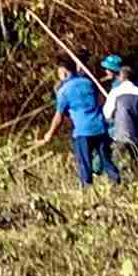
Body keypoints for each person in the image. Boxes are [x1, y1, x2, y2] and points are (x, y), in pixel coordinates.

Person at [40, 55, 110, 187]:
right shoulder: (89, 83)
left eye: (59, 72)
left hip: (83, 132)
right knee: (107, 161)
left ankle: (87, 189)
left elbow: (59, 117)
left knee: (85, 165)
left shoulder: (63, 91)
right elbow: (101, 101)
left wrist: (49, 134)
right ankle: (116, 181)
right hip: (100, 127)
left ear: (64, 72)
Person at [100, 55, 138, 182]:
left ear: (119, 75)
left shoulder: (116, 91)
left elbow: (107, 114)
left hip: (119, 134)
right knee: (137, 163)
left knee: (114, 161)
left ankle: (116, 184)